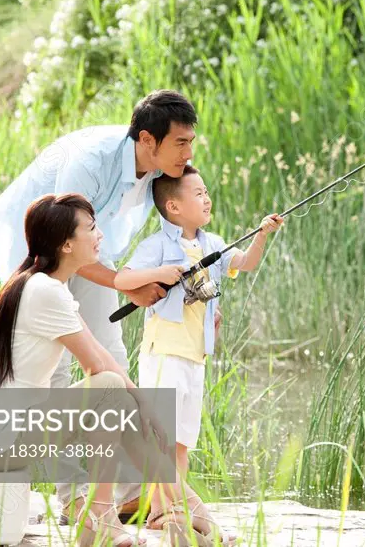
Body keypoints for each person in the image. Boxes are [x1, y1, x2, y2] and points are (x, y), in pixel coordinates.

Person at [0, 194, 234, 547]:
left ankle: (170, 509)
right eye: (91, 228)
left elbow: (101, 356)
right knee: (110, 389)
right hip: (1, 440)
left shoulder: (43, 286)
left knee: (119, 397)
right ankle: (121, 515)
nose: (100, 236)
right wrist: (146, 409)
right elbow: (97, 367)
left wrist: (145, 408)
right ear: (66, 244)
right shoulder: (45, 291)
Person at [0, 90, 198, 515]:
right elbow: (65, 244)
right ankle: (74, 496)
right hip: (40, 255)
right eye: (180, 142)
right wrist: (127, 285)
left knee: (113, 356)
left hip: (95, 256)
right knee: (58, 372)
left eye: (191, 140)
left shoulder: (164, 171)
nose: (189, 152)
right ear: (146, 139)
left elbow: (182, 227)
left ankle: (128, 493)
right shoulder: (91, 160)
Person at [114, 166, 283, 529]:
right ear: (173, 207)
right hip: (164, 353)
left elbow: (246, 263)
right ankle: (164, 513)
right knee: (162, 438)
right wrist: (159, 274)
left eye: (206, 192)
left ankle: (171, 511)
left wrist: (262, 234)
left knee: (181, 444)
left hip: (195, 356)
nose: (207, 199)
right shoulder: (157, 245)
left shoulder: (213, 244)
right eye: (198, 193)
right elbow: (123, 279)